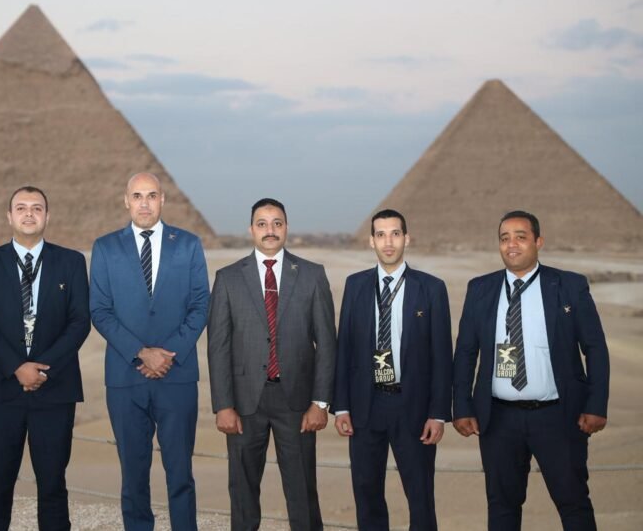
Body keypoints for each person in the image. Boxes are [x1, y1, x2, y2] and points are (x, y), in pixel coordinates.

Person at [453, 210, 610, 531]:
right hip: (498, 419)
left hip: (558, 417)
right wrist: (462, 406)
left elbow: (594, 347)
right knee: (502, 506)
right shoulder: (480, 288)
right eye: (504, 238)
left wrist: (596, 405)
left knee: (574, 504)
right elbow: (466, 352)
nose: (511, 244)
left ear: (538, 242)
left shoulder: (569, 285)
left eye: (521, 237)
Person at [207, 197, 336, 531]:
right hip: (244, 403)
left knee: (302, 491)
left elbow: (327, 344)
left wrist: (320, 403)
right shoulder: (228, 278)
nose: (270, 230)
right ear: (251, 229)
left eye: (277, 223)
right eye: (262, 224)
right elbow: (218, 347)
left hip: (297, 403)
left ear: (286, 228)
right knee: (242, 492)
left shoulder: (312, 275)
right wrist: (223, 405)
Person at [90, 172, 210, 531]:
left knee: (181, 474)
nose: (145, 203)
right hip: (126, 377)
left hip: (177, 375)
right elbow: (100, 310)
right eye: (137, 196)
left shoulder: (188, 244)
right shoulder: (105, 247)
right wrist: (141, 352)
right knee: (133, 476)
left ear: (163, 200)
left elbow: (200, 305)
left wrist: (166, 353)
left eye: (152, 195)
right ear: (126, 201)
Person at [0, 186, 90, 530]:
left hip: (55, 389)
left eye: (37, 208)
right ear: (9, 216)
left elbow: (79, 322)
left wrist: (42, 369)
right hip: (0, 389)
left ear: (47, 216)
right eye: (21, 207)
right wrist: (17, 367)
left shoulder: (71, 261)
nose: (29, 213)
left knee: (52, 484)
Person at [333, 209, 452, 530]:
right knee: (366, 492)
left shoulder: (431, 288)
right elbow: (344, 348)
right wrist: (341, 407)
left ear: (406, 239)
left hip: (413, 407)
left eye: (395, 234)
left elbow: (443, 356)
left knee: (420, 495)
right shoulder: (355, 285)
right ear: (371, 241)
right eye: (381, 235)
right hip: (365, 405)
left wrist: (438, 414)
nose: (388, 242)